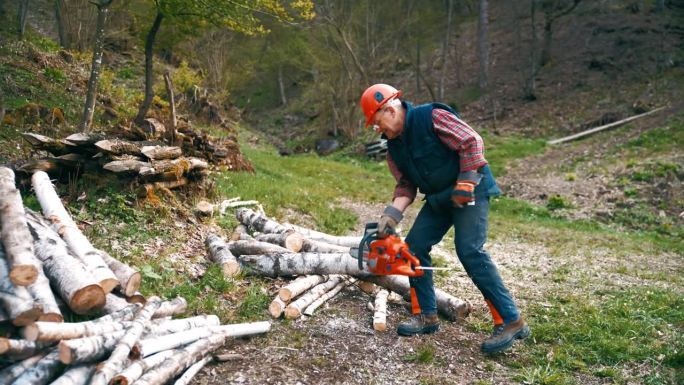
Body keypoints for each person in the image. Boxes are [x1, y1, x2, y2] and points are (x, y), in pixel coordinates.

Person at [359, 83, 530, 354]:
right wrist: (390, 216)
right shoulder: (394, 148)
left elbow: (471, 142)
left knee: (469, 250)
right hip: (440, 197)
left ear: (389, 110)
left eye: (378, 123)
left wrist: (464, 181)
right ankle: (426, 314)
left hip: (471, 185)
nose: (379, 130)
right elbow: (405, 185)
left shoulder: (431, 117)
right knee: (413, 247)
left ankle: (510, 320)